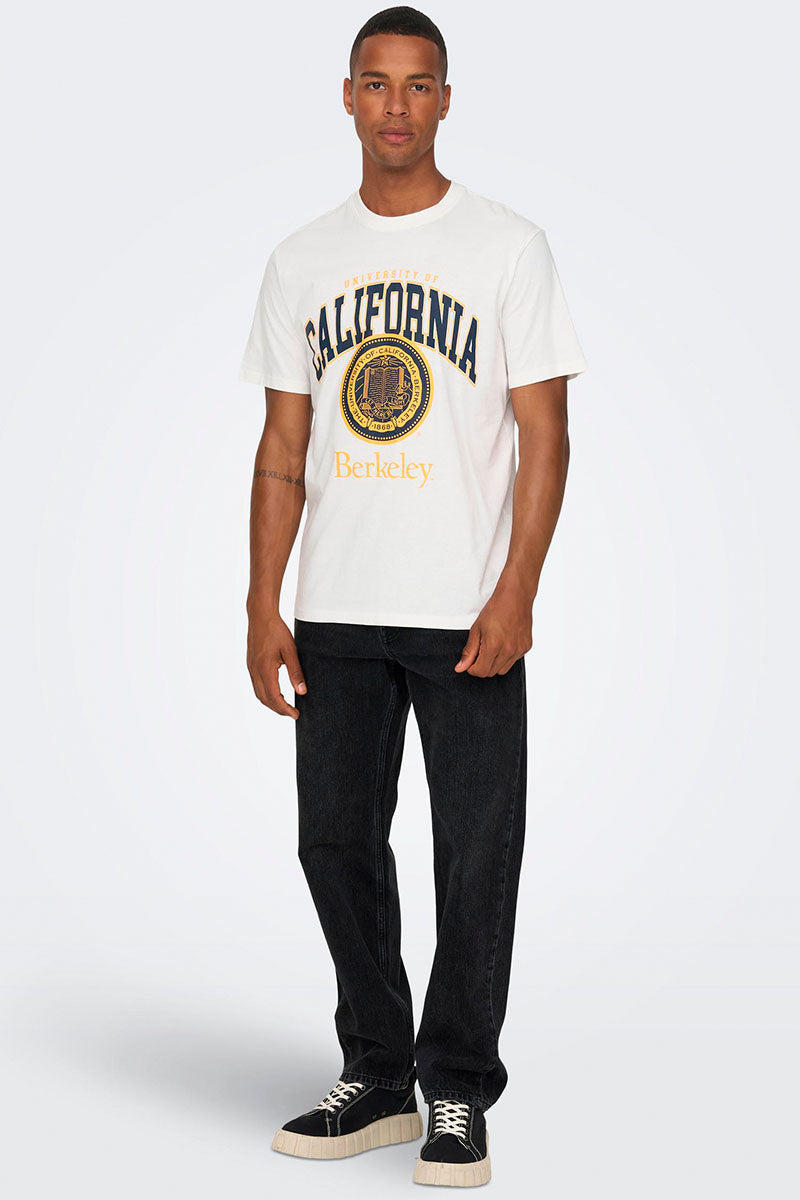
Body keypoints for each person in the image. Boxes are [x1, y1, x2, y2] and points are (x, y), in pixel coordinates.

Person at [237, 5, 587, 1188]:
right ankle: (379, 1071)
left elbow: (545, 436)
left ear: (444, 100)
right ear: (347, 97)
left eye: (417, 83)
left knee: (475, 851)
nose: (395, 104)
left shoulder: (506, 248)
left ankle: (457, 1088)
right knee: (334, 840)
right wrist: (261, 602)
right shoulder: (300, 260)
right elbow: (281, 448)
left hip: (464, 607)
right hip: (335, 605)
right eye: (375, 83)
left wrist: (516, 591)